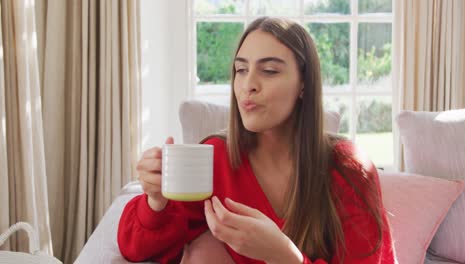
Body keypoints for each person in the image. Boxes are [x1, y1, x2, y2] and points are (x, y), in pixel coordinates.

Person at [118, 17, 396, 264]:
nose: (248, 84)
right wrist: (156, 201)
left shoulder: (347, 166)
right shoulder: (214, 157)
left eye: (269, 71)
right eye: (241, 70)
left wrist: (285, 257)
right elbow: (135, 249)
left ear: (303, 84)